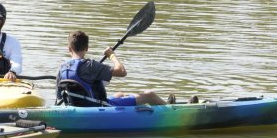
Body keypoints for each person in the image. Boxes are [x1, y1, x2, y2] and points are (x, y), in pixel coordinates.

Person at [55, 30, 191, 107]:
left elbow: (59, 97)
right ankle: (172, 109)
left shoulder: (61, 68)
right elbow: (122, 71)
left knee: (119, 93)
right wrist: (111, 55)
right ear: (86, 49)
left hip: (77, 106)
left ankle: (149, 107)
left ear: (69, 49)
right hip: (99, 107)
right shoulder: (90, 65)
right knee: (149, 94)